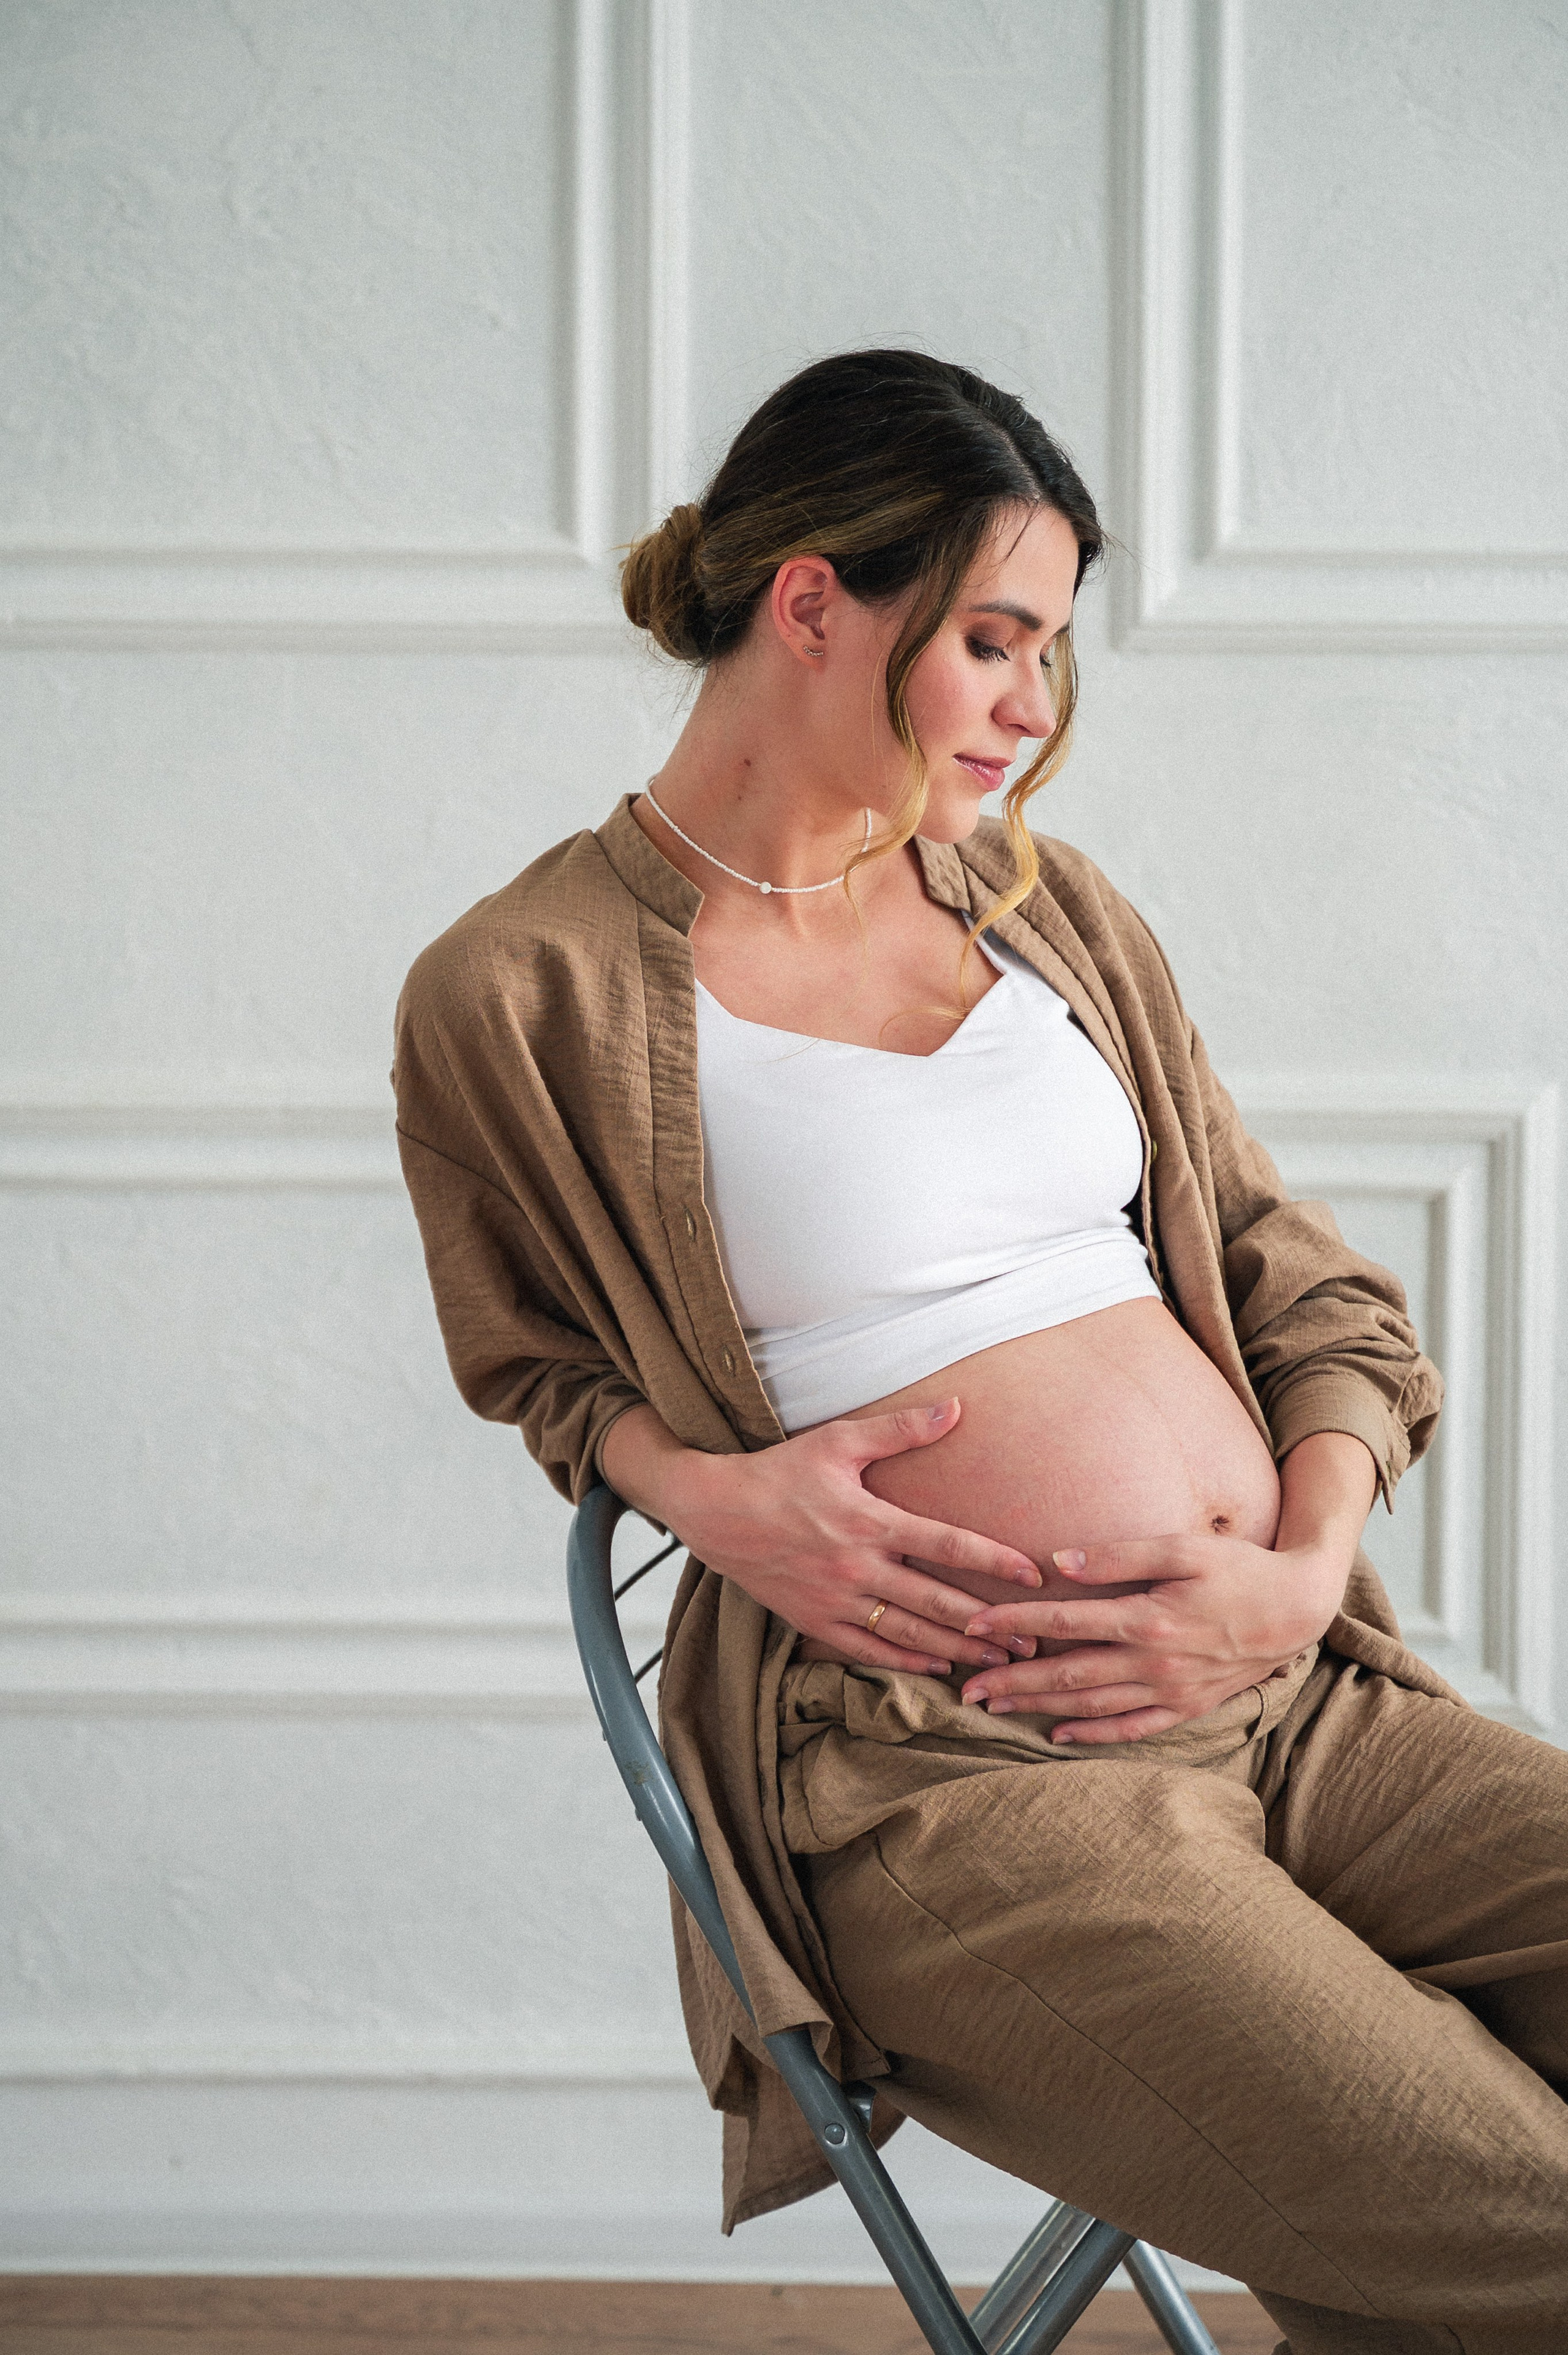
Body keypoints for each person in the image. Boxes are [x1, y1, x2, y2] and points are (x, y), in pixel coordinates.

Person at [393, 350, 1568, 2350]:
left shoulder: (1048, 912)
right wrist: (704, 1491)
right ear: (813, 602)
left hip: (1288, 1694)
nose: (1038, 705)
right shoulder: (522, 990)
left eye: (1051, 650)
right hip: (954, 1791)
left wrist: (1292, 1571)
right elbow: (537, 1365)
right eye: (996, 640)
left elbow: (1302, 1283)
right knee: (1522, 2218)